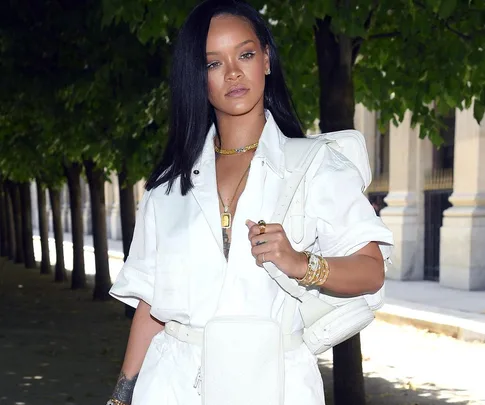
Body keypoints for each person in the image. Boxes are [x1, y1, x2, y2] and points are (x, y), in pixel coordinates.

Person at [107, 1, 393, 404]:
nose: (234, 72)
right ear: (199, 78)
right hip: (173, 385)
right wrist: (121, 396)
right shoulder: (168, 189)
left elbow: (371, 271)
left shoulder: (314, 165)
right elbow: (151, 306)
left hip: (275, 383)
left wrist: (299, 263)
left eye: (245, 54)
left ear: (267, 60)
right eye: (213, 63)